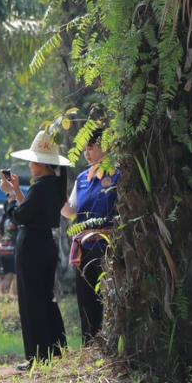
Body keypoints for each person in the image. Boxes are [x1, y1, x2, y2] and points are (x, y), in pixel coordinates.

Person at [1, 131, 71, 368]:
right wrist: (18, 192)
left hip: (32, 247)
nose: (30, 166)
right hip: (42, 245)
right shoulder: (51, 186)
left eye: (32, 161)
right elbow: (30, 211)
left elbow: (20, 215)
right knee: (44, 298)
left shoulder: (42, 188)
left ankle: (37, 357)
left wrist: (10, 195)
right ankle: (54, 351)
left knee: (32, 301)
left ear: (41, 164)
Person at [61, 133, 119, 344]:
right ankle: (89, 344)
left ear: (105, 146)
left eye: (91, 147)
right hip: (84, 249)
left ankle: (110, 343)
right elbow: (72, 211)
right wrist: (60, 199)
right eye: (85, 148)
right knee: (86, 298)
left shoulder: (118, 174)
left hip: (109, 247)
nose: (86, 152)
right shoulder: (82, 179)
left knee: (109, 298)